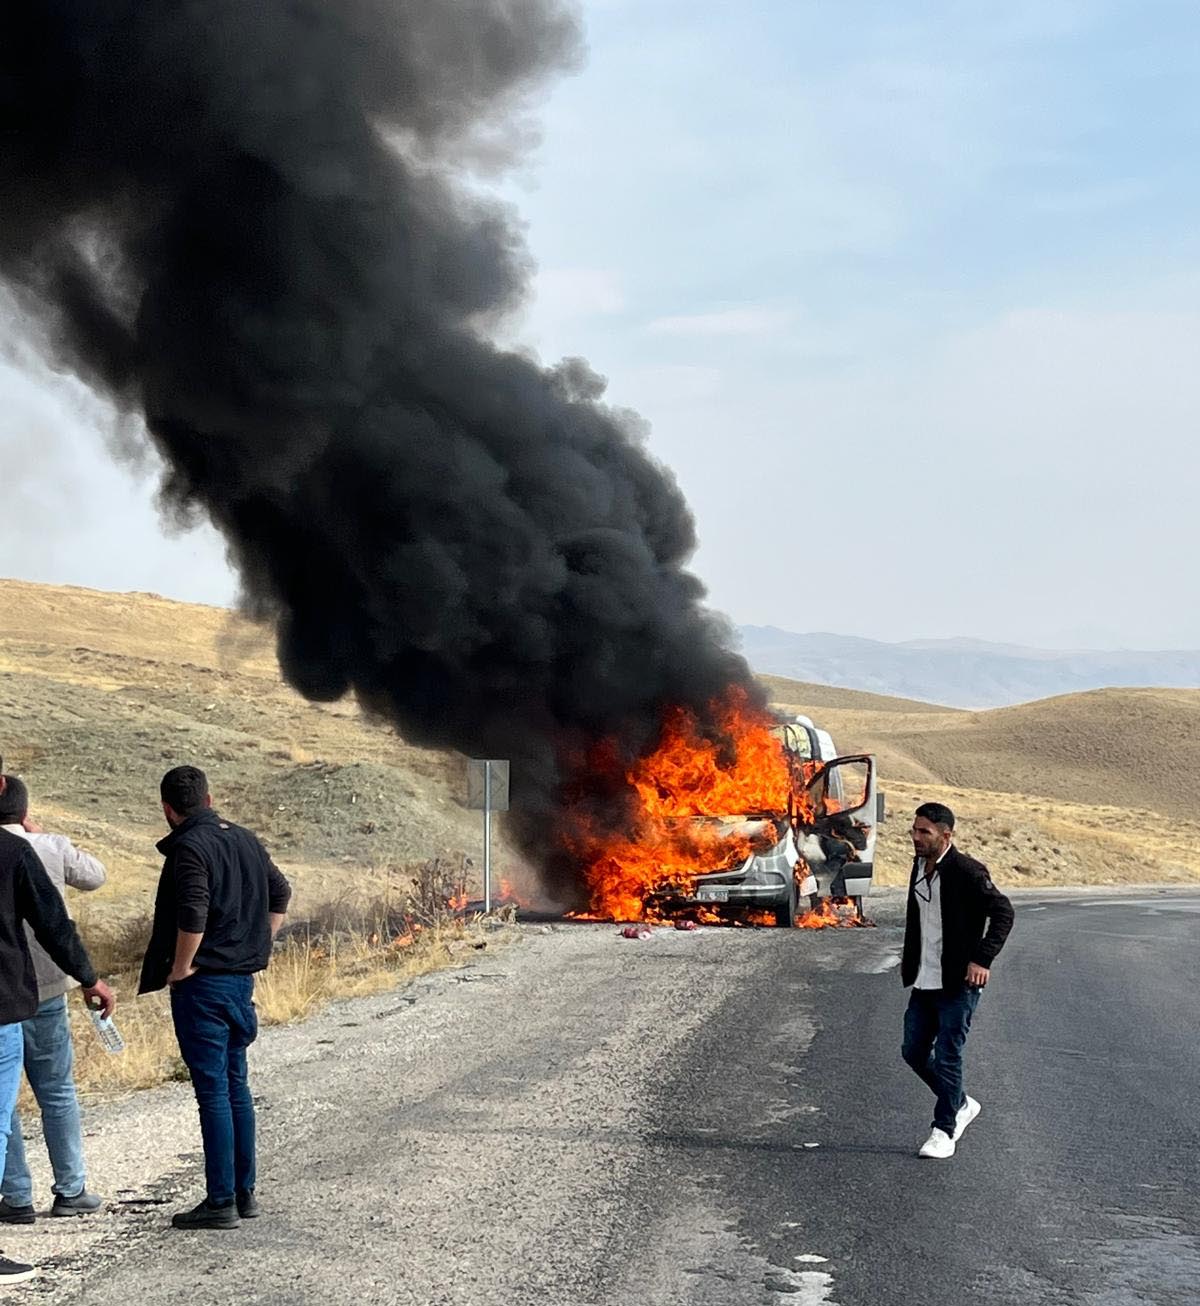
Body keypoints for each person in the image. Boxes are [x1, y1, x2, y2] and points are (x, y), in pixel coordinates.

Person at [139, 766, 291, 1230]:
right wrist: (258, 944)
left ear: (169, 810)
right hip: (241, 982)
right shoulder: (245, 838)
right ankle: (244, 1194)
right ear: (209, 798)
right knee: (235, 1085)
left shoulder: (189, 847)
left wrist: (183, 965)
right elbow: (281, 891)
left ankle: (220, 1200)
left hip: (204, 986)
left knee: (213, 1094)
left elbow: (193, 911)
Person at [0, 805, 115, 1285]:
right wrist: (89, 976)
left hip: (12, 994)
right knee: (56, 1091)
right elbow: (89, 884)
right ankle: (72, 1188)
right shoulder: (27, 848)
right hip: (34, 991)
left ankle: (17, 1196)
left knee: (6, 1112)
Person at [901, 801, 1014, 1160]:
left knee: (948, 1055)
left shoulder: (967, 871)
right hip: (924, 978)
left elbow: (1003, 913)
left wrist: (982, 958)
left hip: (958, 983)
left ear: (945, 835)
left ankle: (944, 1130)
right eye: (914, 830)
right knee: (913, 1051)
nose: (916, 837)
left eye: (925, 832)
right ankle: (961, 1102)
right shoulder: (918, 867)